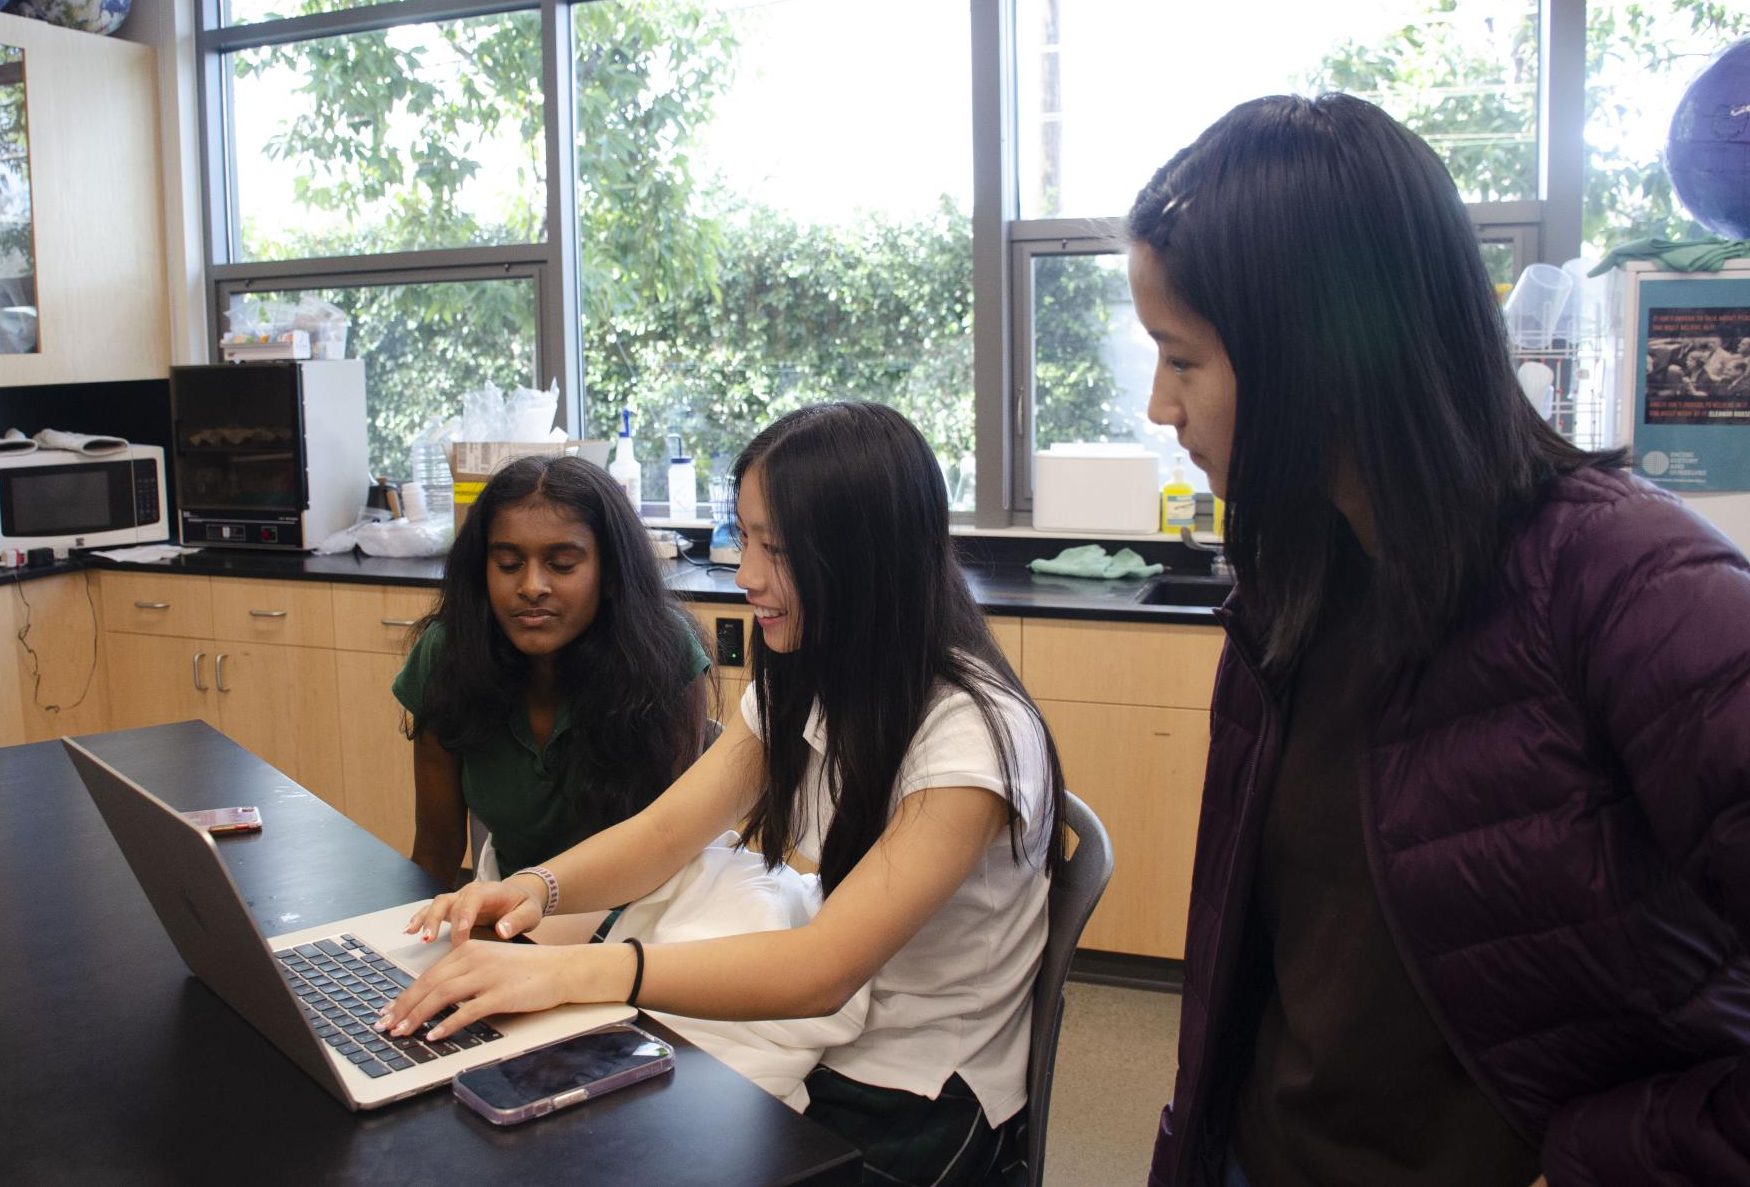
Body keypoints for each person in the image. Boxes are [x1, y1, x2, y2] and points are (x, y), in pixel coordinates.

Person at [1126, 94, 1750, 1187]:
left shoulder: (1633, 588)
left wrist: (1615, 1160)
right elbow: (1260, 958)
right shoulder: (1289, 586)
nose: (1156, 406)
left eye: (1181, 360)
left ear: (1314, 356)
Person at [379, 402, 1068, 1186]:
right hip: (818, 1040)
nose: (745, 575)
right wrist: (534, 888)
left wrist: (575, 972)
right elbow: (669, 830)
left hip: (916, 1087)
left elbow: (823, 967)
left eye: (775, 548)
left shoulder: (972, 734)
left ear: (863, 558)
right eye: (745, 538)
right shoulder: (814, 675)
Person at [395, 453, 712, 885]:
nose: (530, 587)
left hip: (646, 910)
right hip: (512, 910)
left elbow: (670, 846)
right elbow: (436, 848)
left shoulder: (663, 652)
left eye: (562, 565)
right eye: (507, 564)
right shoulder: (449, 652)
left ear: (611, 572)